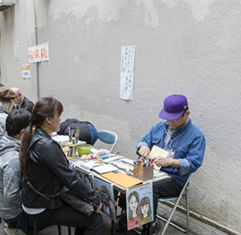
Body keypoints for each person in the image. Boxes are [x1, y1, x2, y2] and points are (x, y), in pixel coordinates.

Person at [119, 94, 206, 234]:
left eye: (175, 119)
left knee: (148, 185)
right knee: (130, 177)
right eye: (168, 118)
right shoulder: (160, 127)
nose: (170, 122)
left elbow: (194, 163)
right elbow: (144, 141)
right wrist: (143, 147)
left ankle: (150, 224)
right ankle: (127, 214)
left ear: (187, 113)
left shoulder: (196, 136)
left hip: (174, 179)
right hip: (152, 171)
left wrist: (171, 161)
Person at [19, 97, 103, 235]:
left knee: (85, 213)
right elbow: (70, 179)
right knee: (94, 219)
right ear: (49, 120)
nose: (60, 119)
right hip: (41, 204)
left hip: (34, 198)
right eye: (58, 116)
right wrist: (94, 198)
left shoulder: (33, 135)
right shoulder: (46, 145)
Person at [0, 109, 46, 235]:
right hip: (13, 213)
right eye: (32, 129)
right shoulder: (13, 160)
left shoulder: (5, 141)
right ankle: (16, 227)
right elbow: (11, 196)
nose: (35, 132)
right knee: (56, 215)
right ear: (23, 132)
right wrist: (37, 199)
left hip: (6, 206)